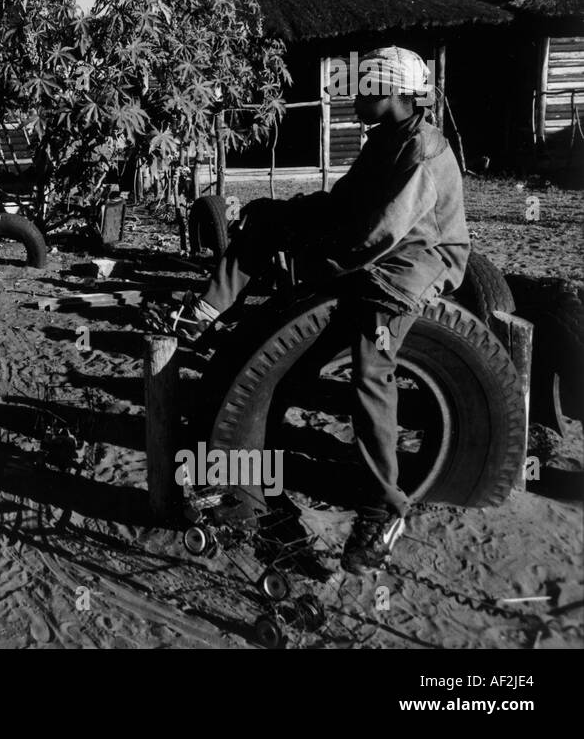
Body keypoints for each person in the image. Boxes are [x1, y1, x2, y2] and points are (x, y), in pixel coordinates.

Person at [168, 47, 470, 576]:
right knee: (264, 226)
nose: (355, 97)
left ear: (392, 92)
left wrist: (314, 259)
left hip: (409, 266)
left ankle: (383, 510)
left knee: (371, 371)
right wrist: (282, 215)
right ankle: (199, 316)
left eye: (365, 89)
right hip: (370, 250)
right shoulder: (385, 142)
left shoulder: (421, 151)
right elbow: (343, 206)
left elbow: (379, 235)